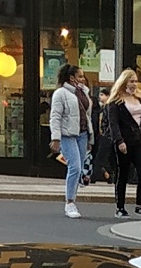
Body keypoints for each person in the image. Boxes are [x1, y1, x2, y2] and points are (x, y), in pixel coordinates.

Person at [103, 70, 141, 215]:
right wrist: (119, 141)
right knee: (123, 173)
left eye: (135, 81)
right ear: (124, 82)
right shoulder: (116, 101)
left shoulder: (140, 99)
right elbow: (113, 124)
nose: (134, 84)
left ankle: (140, 204)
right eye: (131, 81)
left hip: (139, 141)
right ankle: (120, 207)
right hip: (123, 141)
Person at [50, 67, 88, 217]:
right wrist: (56, 138)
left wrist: (90, 137)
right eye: (80, 76)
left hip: (83, 134)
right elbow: (55, 116)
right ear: (72, 78)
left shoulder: (83, 92)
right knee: (75, 167)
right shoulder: (60, 93)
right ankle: (70, 203)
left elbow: (87, 115)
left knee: (78, 168)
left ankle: (73, 199)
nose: (83, 79)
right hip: (68, 135)